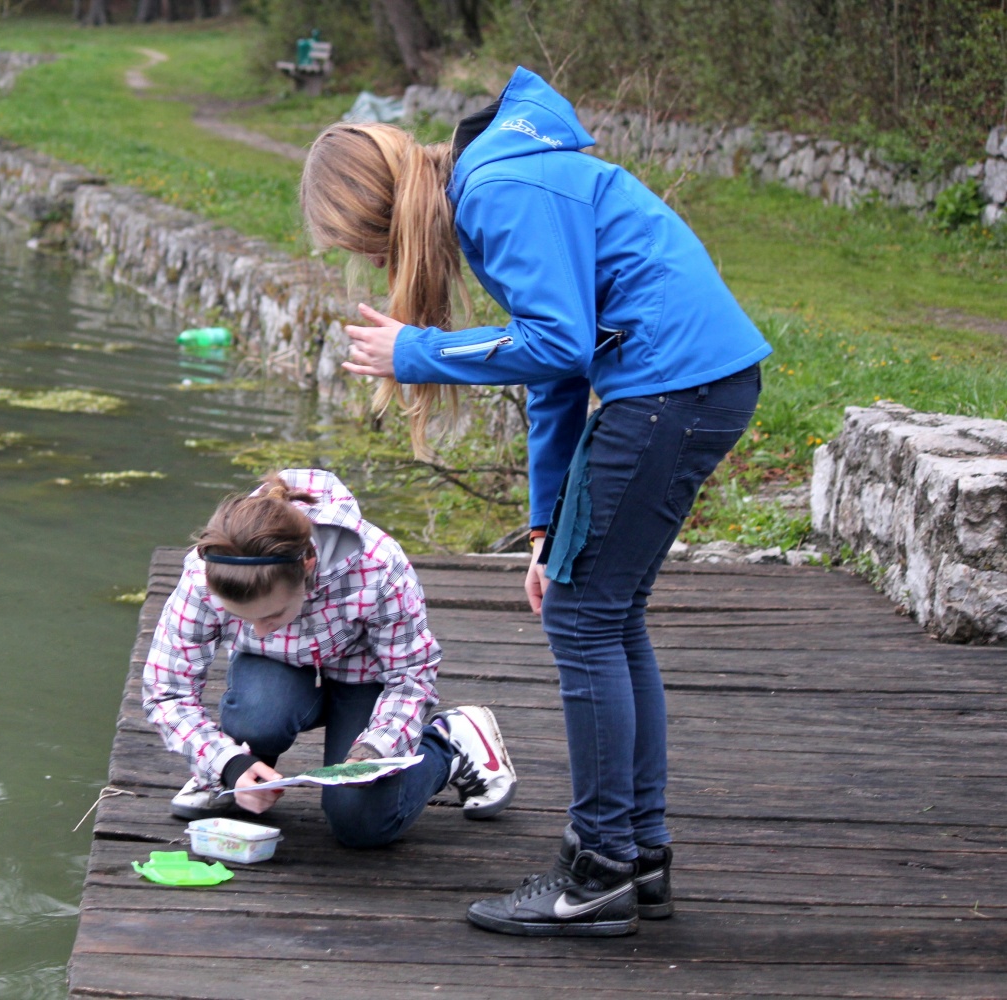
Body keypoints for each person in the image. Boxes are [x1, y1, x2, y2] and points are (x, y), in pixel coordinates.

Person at [300, 67, 771, 935]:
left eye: (363, 246)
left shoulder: (496, 191)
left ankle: (595, 872)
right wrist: (548, 522)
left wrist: (421, 352)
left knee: (587, 623)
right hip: (685, 382)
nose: (372, 263)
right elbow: (558, 371)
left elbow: (554, 339)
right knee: (608, 615)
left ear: (379, 213)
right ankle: (637, 855)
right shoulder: (496, 180)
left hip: (670, 385)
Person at [142, 468, 516, 849]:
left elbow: (410, 678)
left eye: (271, 615)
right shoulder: (204, 576)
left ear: (307, 567)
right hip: (276, 667)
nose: (257, 631)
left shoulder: (379, 566)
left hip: (365, 674)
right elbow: (166, 692)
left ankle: (448, 743)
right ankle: (241, 774)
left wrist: (375, 749)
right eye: (241, 617)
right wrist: (225, 762)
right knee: (257, 715)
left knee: (362, 824)